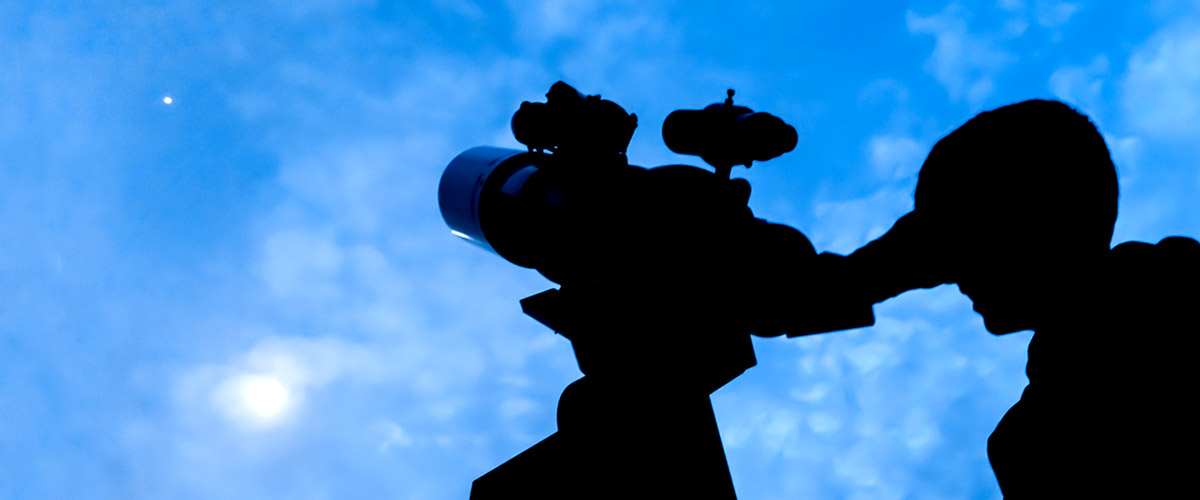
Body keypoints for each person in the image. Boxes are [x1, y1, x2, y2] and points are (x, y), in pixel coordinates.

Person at [839, 100, 1198, 497]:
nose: (948, 272)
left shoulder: (1038, 437)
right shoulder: (1038, 423)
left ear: (1027, 220)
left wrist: (870, 273)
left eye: (952, 235)